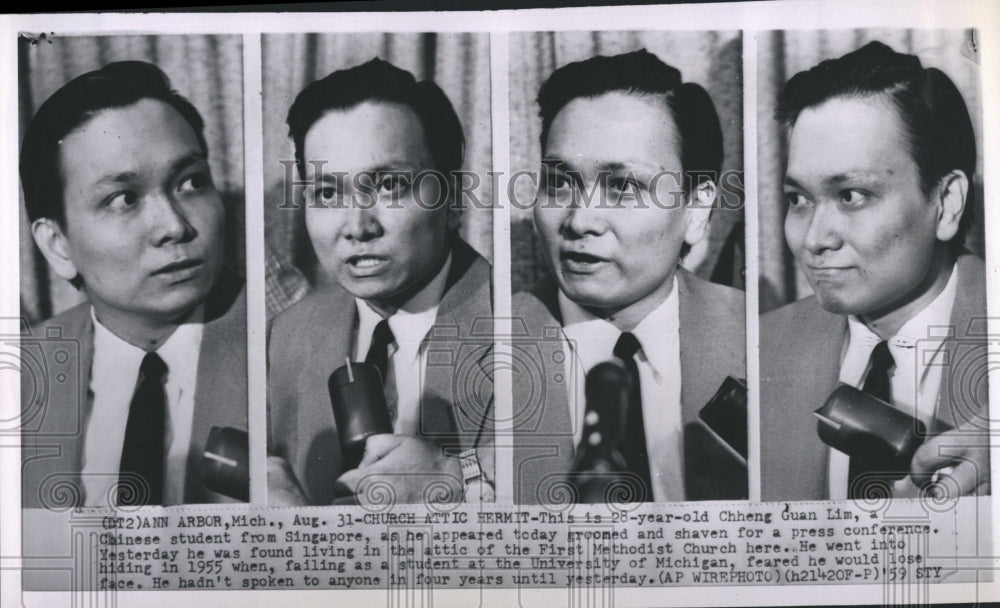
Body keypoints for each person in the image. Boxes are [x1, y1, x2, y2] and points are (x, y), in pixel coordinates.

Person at [512, 50, 746, 504]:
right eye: (559, 183)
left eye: (622, 187)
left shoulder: (762, 342)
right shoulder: (476, 350)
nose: (580, 220)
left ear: (696, 209)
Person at [760, 41, 989, 501]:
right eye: (798, 200)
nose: (814, 239)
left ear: (946, 204)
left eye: (851, 195)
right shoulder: (760, 348)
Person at [20, 61, 247, 508]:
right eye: (123, 199)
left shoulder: (293, 347)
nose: (174, 227)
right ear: (58, 246)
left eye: (191, 182)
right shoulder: (22, 379)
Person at [267, 58, 494, 506]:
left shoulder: (532, 320)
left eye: (390, 187)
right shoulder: (289, 333)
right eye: (328, 193)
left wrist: (456, 476)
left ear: (453, 201)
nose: (357, 227)